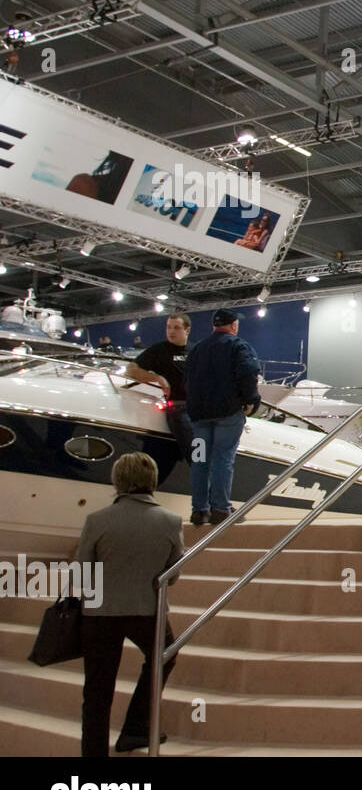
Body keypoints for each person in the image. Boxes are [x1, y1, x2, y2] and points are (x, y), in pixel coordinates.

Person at [75, 452, 183, 756]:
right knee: (164, 658)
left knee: (97, 689)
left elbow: (82, 573)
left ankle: (93, 753)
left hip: (100, 614)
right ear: (152, 480)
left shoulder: (96, 520)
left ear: (117, 480)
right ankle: (136, 729)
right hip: (147, 611)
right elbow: (172, 576)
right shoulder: (170, 521)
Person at [185, 308, 260, 526]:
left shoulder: (197, 349)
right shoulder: (238, 346)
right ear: (234, 325)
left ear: (214, 326)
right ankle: (220, 508)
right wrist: (250, 401)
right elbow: (248, 373)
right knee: (223, 459)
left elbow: (187, 381)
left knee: (199, 461)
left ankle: (199, 510)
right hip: (228, 414)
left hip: (199, 418)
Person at [127, 313, 193, 465]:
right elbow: (131, 370)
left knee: (203, 450)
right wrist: (157, 379)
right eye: (168, 327)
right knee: (197, 454)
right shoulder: (158, 350)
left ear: (187, 330)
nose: (171, 331)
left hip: (199, 410)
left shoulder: (196, 351)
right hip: (178, 409)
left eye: (176, 328)